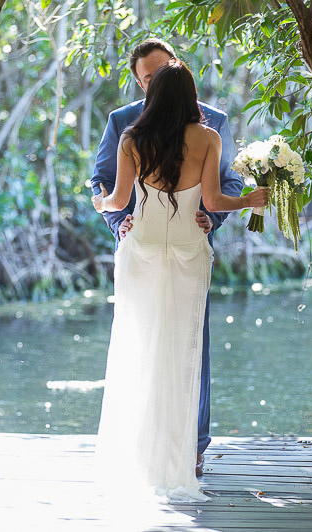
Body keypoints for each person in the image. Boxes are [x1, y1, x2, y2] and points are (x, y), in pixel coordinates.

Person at [91, 59, 267, 500]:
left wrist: (100, 204)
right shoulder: (207, 138)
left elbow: (117, 199)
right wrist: (250, 200)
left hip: (142, 249)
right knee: (182, 354)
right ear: (190, 96)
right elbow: (213, 199)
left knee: (138, 349)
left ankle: (135, 458)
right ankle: (177, 460)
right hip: (189, 250)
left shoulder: (133, 139)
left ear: (152, 96)